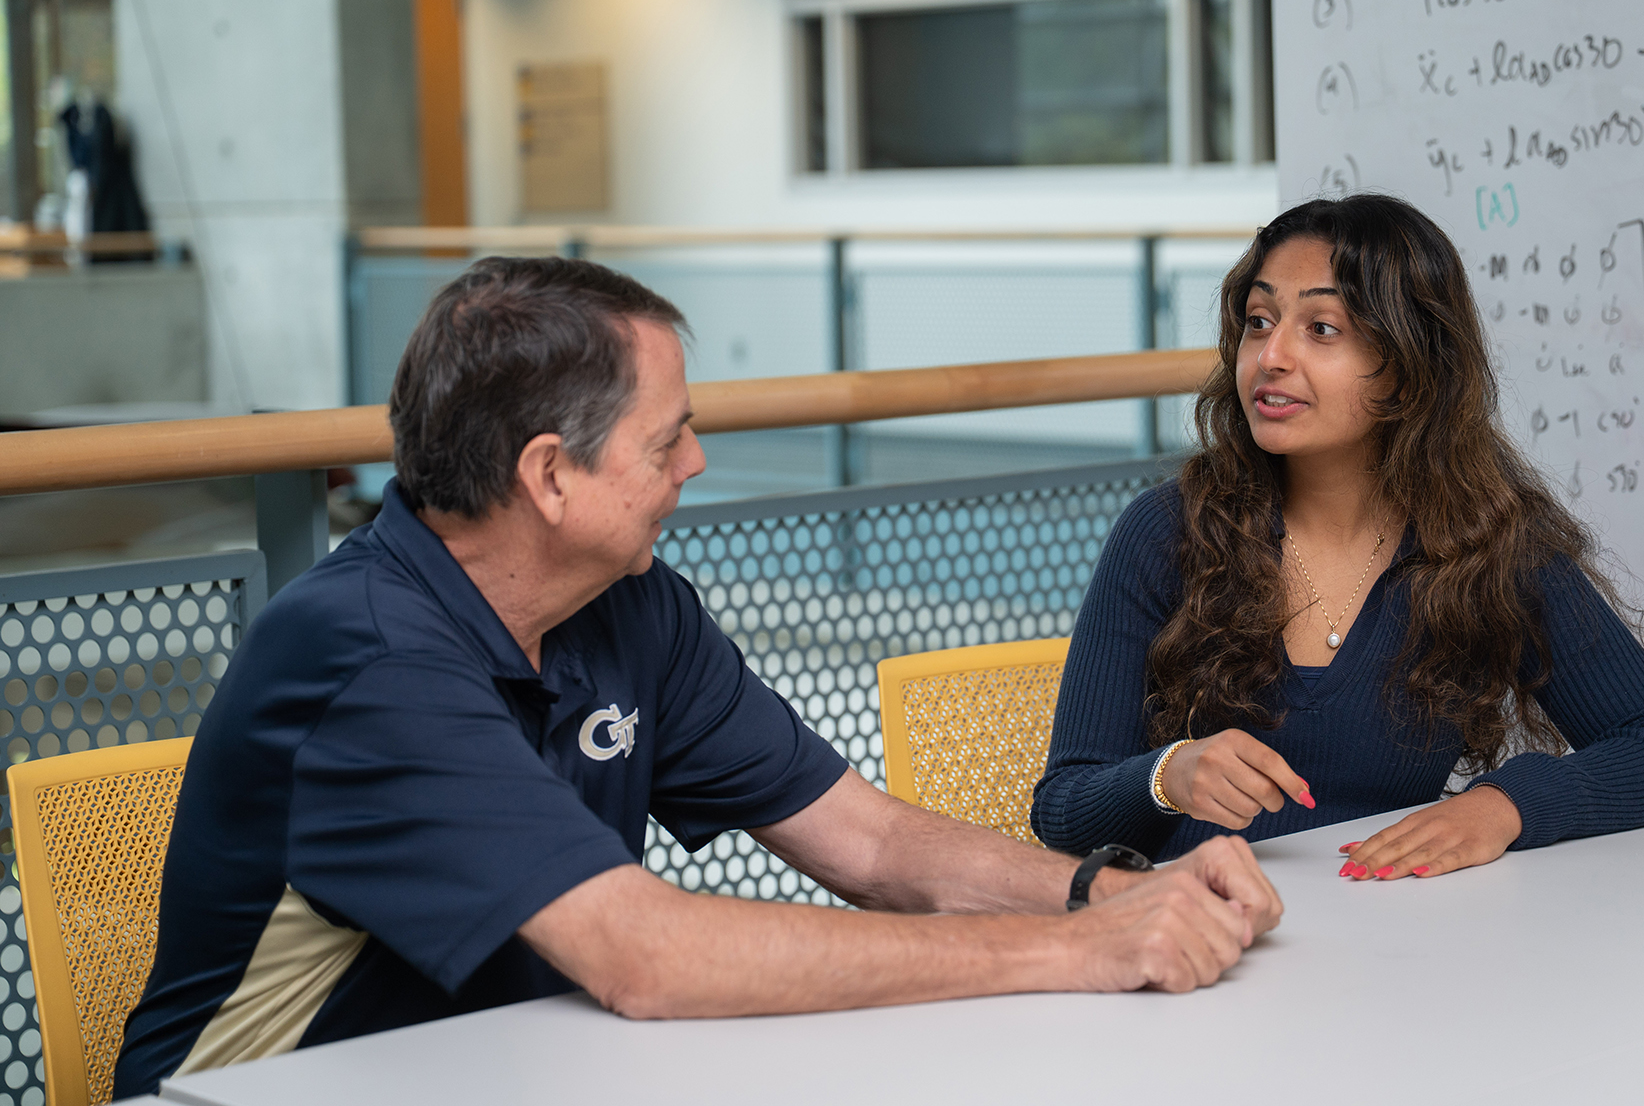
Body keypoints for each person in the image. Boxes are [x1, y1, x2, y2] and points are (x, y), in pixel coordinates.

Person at [115, 257, 1283, 1097]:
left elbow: (868, 844)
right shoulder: (365, 660)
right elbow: (650, 957)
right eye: (667, 437)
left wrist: (1102, 894)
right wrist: (1074, 953)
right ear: (549, 476)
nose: (697, 459)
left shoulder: (628, 603)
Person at [1031, 194, 1644, 879]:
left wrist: (1506, 805)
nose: (1270, 356)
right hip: (1207, 944)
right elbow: (1063, 809)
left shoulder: (1488, 543)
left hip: (1394, 947)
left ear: (1408, 366)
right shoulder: (1166, 532)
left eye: (1321, 329)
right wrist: (1167, 773)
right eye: (1259, 321)